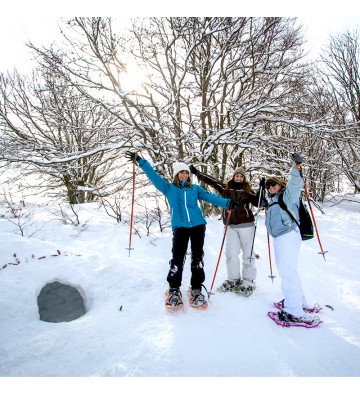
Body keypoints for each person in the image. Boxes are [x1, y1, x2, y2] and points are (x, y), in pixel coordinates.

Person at [125, 151, 237, 309]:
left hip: (198, 226)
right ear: (176, 174)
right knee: (178, 258)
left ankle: (196, 289)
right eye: (181, 172)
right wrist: (141, 162)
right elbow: (153, 176)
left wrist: (227, 203)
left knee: (198, 258)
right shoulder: (168, 188)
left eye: (186, 172)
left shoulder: (195, 189)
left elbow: (211, 197)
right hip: (180, 227)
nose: (184, 175)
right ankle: (174, 289)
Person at [190, 165, 266, 296]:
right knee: (231, 253)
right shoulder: (225, 189)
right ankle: (233, 279)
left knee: (248, 254)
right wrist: (197, 173)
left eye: (241, 176)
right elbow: (211, 181)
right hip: (230, 225)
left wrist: (261, 189)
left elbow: (260, 203)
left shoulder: (248, 191)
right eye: (237, 175)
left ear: (244, 179)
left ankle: (249, 281)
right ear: (234, 176)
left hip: (246, 225)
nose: (239, 178)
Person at [264, 153, 315, 324]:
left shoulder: (287, 195)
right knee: (287, 270)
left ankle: (294, 311)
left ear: (280, 185)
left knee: (287, 271)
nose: (271, 187)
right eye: (268, 185)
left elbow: (295, 183)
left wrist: (297, 166)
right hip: (279, 238)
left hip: (288, 235)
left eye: (273, 184)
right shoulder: (271, 201)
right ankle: (298, 302)